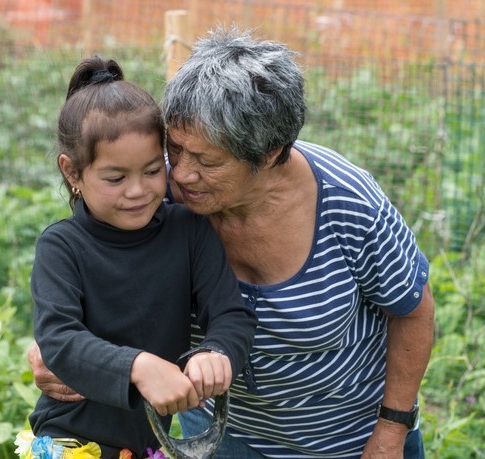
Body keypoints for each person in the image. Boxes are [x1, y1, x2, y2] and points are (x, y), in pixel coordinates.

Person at [29, 28, 435, 458]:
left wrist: (392, 430)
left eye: (207, 161)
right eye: (177, 149)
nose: (181, 174)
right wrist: (57, 354)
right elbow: (82, 282)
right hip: (219, 439)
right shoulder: (150, 189)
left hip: (349, 441)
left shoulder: (348, 201)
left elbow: (413, 309)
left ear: (267, 155)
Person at [23, 55, 257, 459]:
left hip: (148, 445)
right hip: (71, 439)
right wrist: (139, 366)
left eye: (152, 171)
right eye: (116, 178)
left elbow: (231, 314)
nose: (138, 191)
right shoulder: (61, 247)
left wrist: (218, 352)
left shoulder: (189, 231)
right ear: (72, 172)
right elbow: (59, 339)